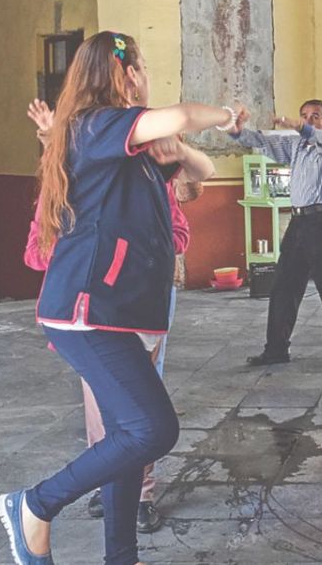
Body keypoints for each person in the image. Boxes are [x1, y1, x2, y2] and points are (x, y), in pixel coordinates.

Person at [0, 30, 229, 565]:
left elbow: (203, 171)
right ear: (123, 75)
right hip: (89, 309)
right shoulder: (97, 125)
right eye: (140, 66)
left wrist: (179, 148)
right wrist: (225, 116)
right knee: (153, 429)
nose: (145, 75)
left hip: (122, 312)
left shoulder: (127, 146)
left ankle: (121, 557)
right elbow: (182, 114)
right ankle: (33, 504)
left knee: (130, 433)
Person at [22, 99, 204, 534]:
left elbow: (179, 230)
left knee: (140, 413)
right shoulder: (68, 183)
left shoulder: (148, 176)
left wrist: (143, 249)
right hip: (93, 309)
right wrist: (82, 253)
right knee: (128, 418)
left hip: (143, 303)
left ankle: (135, 500)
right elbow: (36, 250)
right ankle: (52, 498)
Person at [227, 100, 322, 367]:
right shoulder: (297, 146)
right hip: (299, 222)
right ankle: (276, 349)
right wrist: (236, 130)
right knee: (284, 286)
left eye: (315, 116)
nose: (309, 121)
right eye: (304, 116)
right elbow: (263, 142)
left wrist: (301, 127)